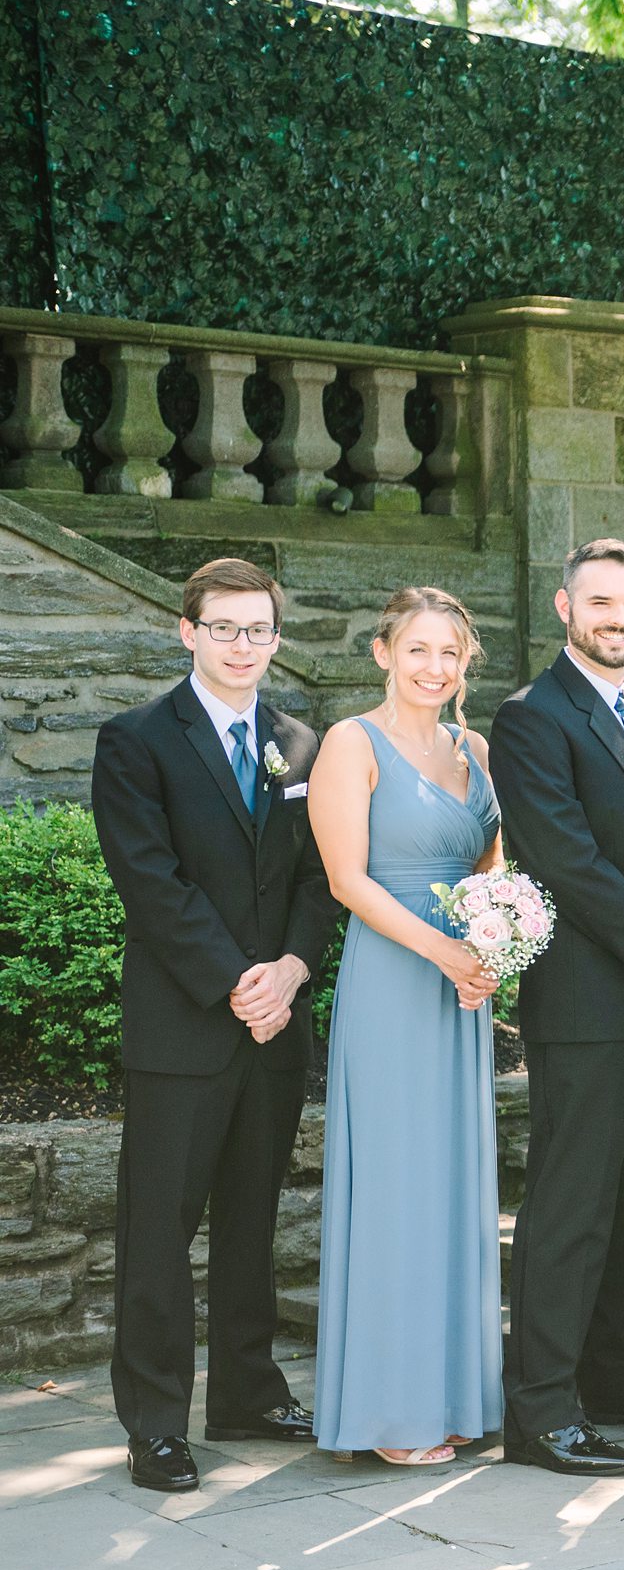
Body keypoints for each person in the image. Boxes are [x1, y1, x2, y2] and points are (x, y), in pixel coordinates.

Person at [91, 558, 341, 1493]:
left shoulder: (301, 743)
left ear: (277, 637)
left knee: (252, 1219)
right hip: (185, 1025)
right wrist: (238, 978)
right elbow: (149, 881)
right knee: (159, 1230)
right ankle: (154, 1422)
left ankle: (247, 1390)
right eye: (225, 627)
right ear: (186, 631)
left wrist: (293, 968)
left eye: (259, 629)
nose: (244, 645)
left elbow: (322, 878)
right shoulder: (137, 740)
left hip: (276, 1025)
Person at [489, 538, 624, 1476]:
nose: (620, 619)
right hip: (586, 997)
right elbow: (563, 855)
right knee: (572, 1203)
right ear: (564, 605)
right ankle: (541, 1406)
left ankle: (619, 1372)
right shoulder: (532, 716)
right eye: (603, 603)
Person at [309, 587, 504, 1467]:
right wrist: (443, 951)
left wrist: (495, 946)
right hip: (395, 979)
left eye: (451, 653)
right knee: (396, 1188)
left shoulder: (478, 748)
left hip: (462, 987)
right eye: (419, 649)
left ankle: (451, 1393)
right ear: (383, 651)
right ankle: (391, 1413)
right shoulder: (352, 743)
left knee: (453, 1189)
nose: (436, 667)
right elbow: (349, 879)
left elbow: (496, 867)